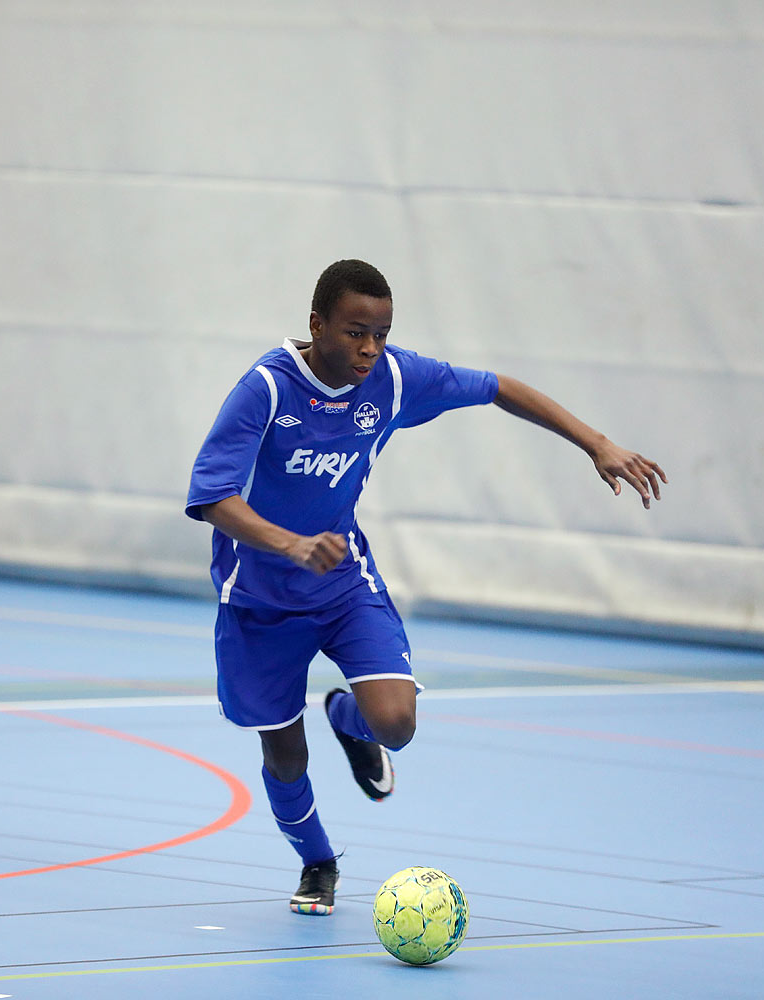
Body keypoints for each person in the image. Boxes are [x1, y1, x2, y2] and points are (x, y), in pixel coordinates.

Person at [184, 259, 667, 914]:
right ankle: (317, 861)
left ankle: (348, 721)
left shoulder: (391, 378)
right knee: (284, 754)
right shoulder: (266, 390)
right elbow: (213, 497)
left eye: (381, 333)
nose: (370, 349)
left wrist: (595, 443)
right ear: (317, 324)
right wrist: (291, 543)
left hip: (342, 581)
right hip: (259, 598)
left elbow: (497, 387)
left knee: (397, 722)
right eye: (356, 332)